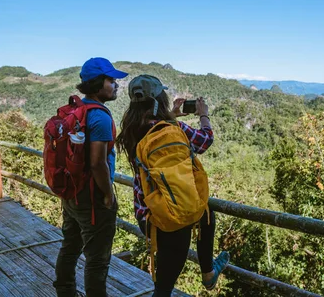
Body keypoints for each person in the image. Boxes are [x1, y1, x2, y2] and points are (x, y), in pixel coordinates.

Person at [116, 74, 229, 296]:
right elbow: (205, 140)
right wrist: (203, 114)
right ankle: (207, 274)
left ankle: (208, 273)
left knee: (206, 213)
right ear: (160, 98)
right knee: (164, 286)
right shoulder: (174, 128)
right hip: (169, 219)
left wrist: (172, 115)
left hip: (146, 214)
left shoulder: (130, 128)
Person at [53, 57, 128, 297]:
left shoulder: (77, 110)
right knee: (97, 259)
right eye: (110, 79)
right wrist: (108, 194)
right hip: (93, 197)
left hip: (72, 191)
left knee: (70, 246)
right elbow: (97, 163)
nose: (115, 84)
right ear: (97, 83)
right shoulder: (101, 117)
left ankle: (65, 292)